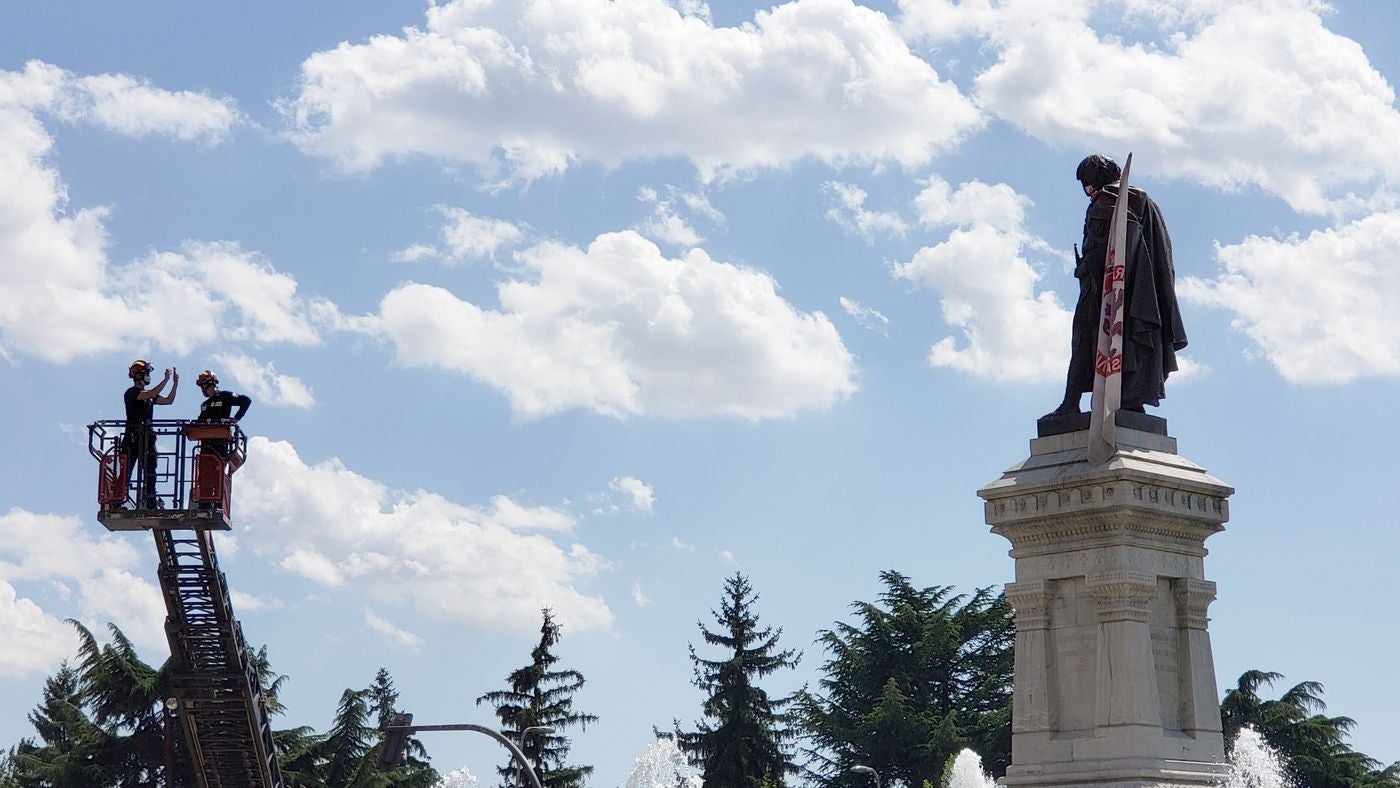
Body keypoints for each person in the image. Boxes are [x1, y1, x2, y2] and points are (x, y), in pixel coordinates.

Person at [1046, 154, 1187, 417]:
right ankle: (1130, 399)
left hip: (1102, 290)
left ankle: (1070, 403)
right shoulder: (1144, 201)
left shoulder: (1104, 201)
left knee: (1084, 339)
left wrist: (1083, 267)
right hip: (1140, 294)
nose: (1087, 191)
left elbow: (1098, 251)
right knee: (1127, 341)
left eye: (1087, 184)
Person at [123, 360, 178, 508]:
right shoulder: (131, 393)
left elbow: (168, 400)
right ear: (138, 376)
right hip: (132, 438)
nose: (148, 376)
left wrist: (175, 383)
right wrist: (165, 380)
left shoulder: (149, 396)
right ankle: (119, 500)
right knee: (126, 470)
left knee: (150, 469)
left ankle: (150, 499)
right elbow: (151, 393)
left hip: (147, 438)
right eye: (146, 373)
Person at [194, 369, 251, 459]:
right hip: (205, 445)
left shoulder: (225, 396)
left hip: (220, 443)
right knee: (204, 470)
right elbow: (199, 421)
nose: (202, 389)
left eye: (203, 385)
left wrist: (236, 418)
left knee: (217, 467)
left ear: (211, 383)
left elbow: (246, 401)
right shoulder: (205, 405)